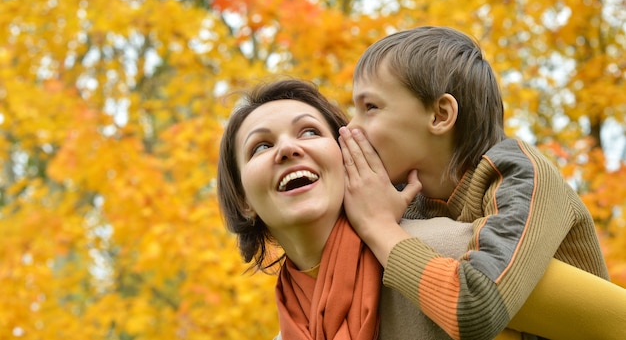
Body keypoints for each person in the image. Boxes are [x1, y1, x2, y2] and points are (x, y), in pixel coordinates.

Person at [217, 79, 626, 340]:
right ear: (243, 200)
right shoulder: (291, 331)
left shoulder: (453, 252)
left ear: (351, 158)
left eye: (310, 131)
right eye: (261, 146)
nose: (289, 148)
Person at [338, 26, 616, 339]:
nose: (351, 128)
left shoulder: (520, 174)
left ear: (441, 115)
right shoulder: (405, 198)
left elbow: (476, 307)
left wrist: (378, 226)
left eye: (370, 108)